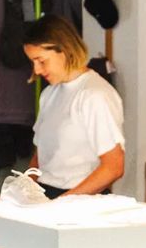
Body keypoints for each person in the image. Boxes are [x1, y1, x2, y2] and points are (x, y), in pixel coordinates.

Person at [21, 15, 125, 198]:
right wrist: (18, 195)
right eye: (33, 62)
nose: (37, 70)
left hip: (81, 201)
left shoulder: (95, 95)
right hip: (45, 196)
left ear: (65, 50)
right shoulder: (49, 94)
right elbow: (40, 159)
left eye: (42, 61)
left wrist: (63, 203)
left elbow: (113, 167)